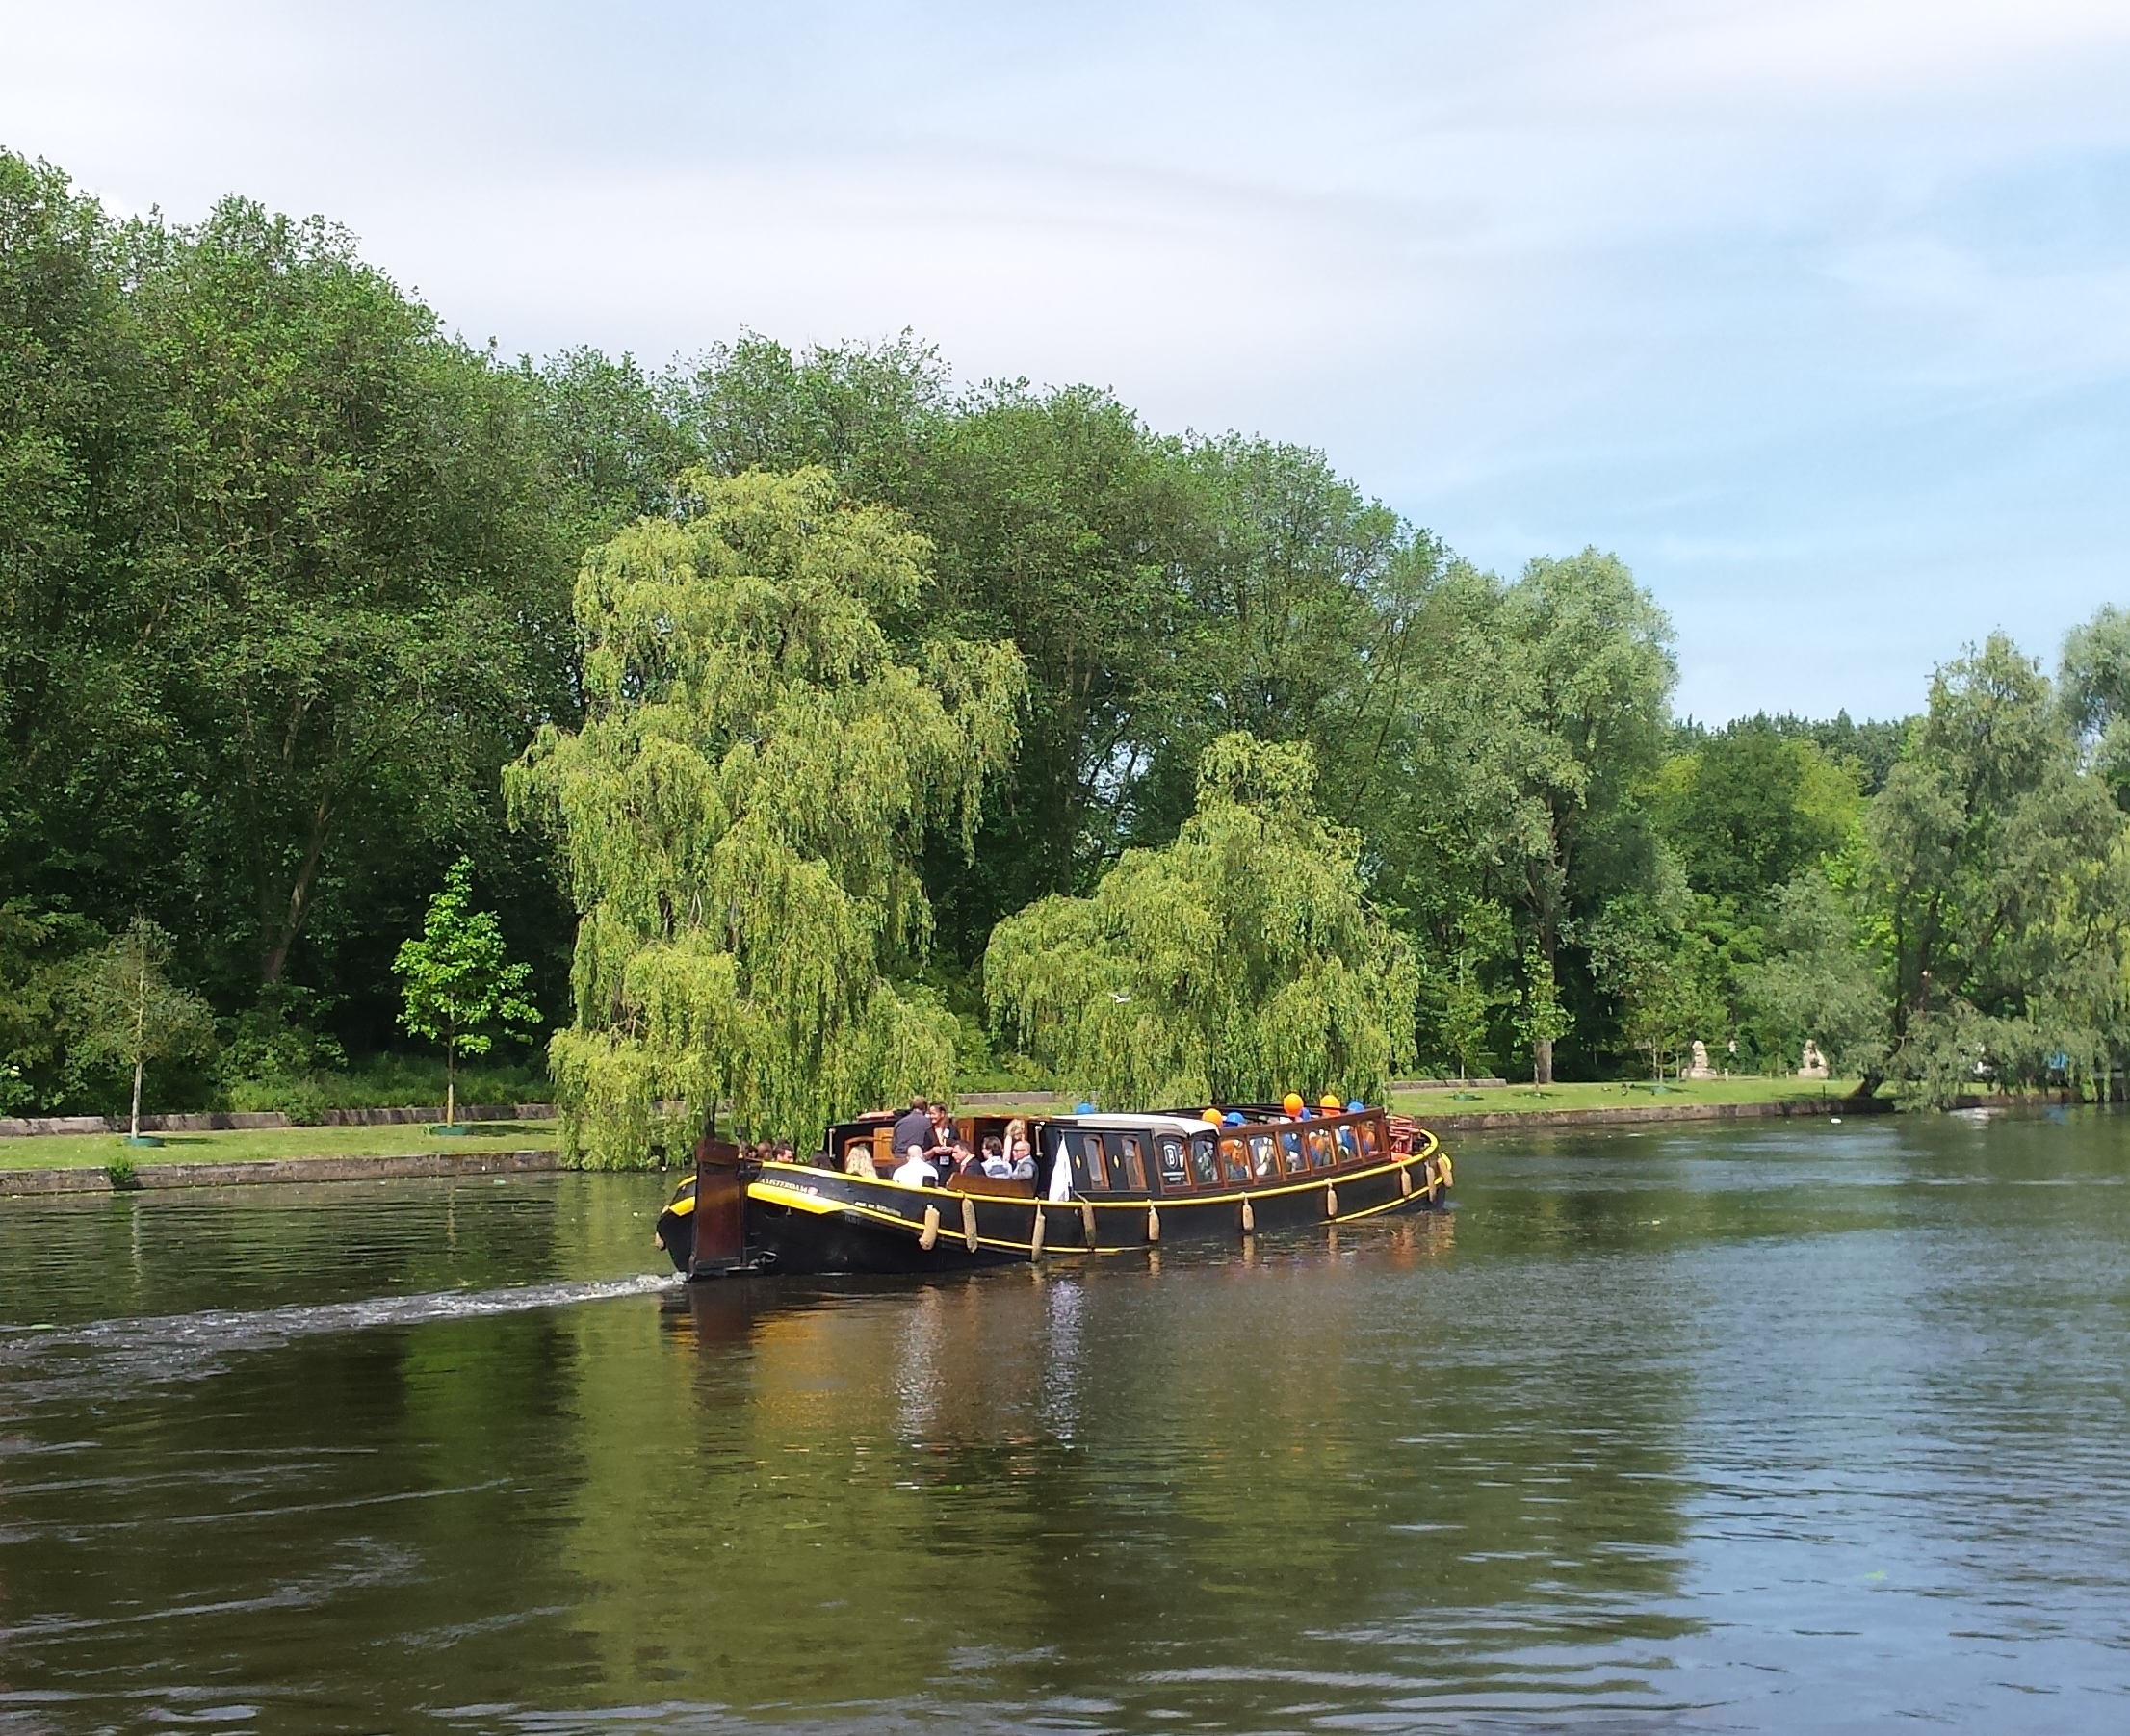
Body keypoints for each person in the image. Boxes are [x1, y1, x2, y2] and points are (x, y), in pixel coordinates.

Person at [891, 1097, 933, 1167]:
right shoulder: (929, 1123)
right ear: (925, 1108)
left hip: (899, 1161)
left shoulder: (899, 1123)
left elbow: (893, 1147)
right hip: (921, 1160)